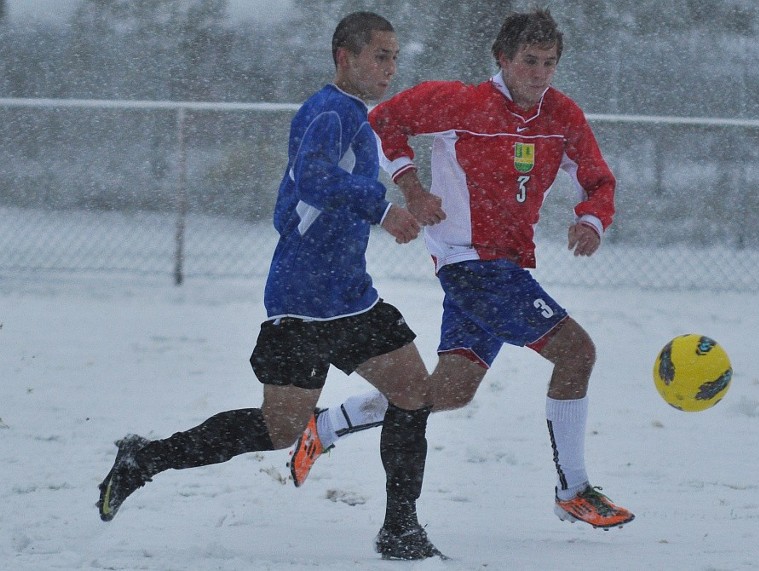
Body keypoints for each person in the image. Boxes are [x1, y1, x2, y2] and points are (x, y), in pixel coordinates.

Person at [96, 12, 445, 561]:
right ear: (344, 57)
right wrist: (382, 209)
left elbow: (305, 195)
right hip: (303, 302)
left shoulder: (357, 115)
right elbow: (310, 177)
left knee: (413, 391)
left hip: (350, 295)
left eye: (395, 56)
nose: (390, 67)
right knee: (280, 428)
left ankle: (400, 530)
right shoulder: (328, 109)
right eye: (380, 55)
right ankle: (146, 458)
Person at [288, 8, 635, 531]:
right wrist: (412, 187)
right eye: (529, 61)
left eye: (549, 63)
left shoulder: (562, 116)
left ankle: (328, 425)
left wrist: (590, 219)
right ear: (503, 59)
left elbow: (598, 180)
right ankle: (574, 490)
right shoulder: (460, 101)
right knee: (577, 353)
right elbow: (382, 124)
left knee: (444, 393)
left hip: (505, 265)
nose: (539, 73)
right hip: (471, 266)